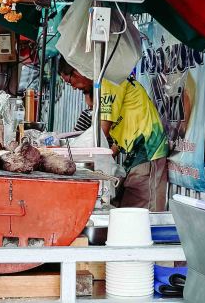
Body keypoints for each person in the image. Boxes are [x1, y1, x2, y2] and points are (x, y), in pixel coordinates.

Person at [57, 56, 169, 211]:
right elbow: (115, 137)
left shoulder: (109, 81)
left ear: (77, 71)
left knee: (142, 212)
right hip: (134, 153)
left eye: (69, 82)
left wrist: (76, 160)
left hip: (148, 150)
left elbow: (101, 133)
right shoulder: (107, 82)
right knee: (125, 206)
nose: (73, 88)